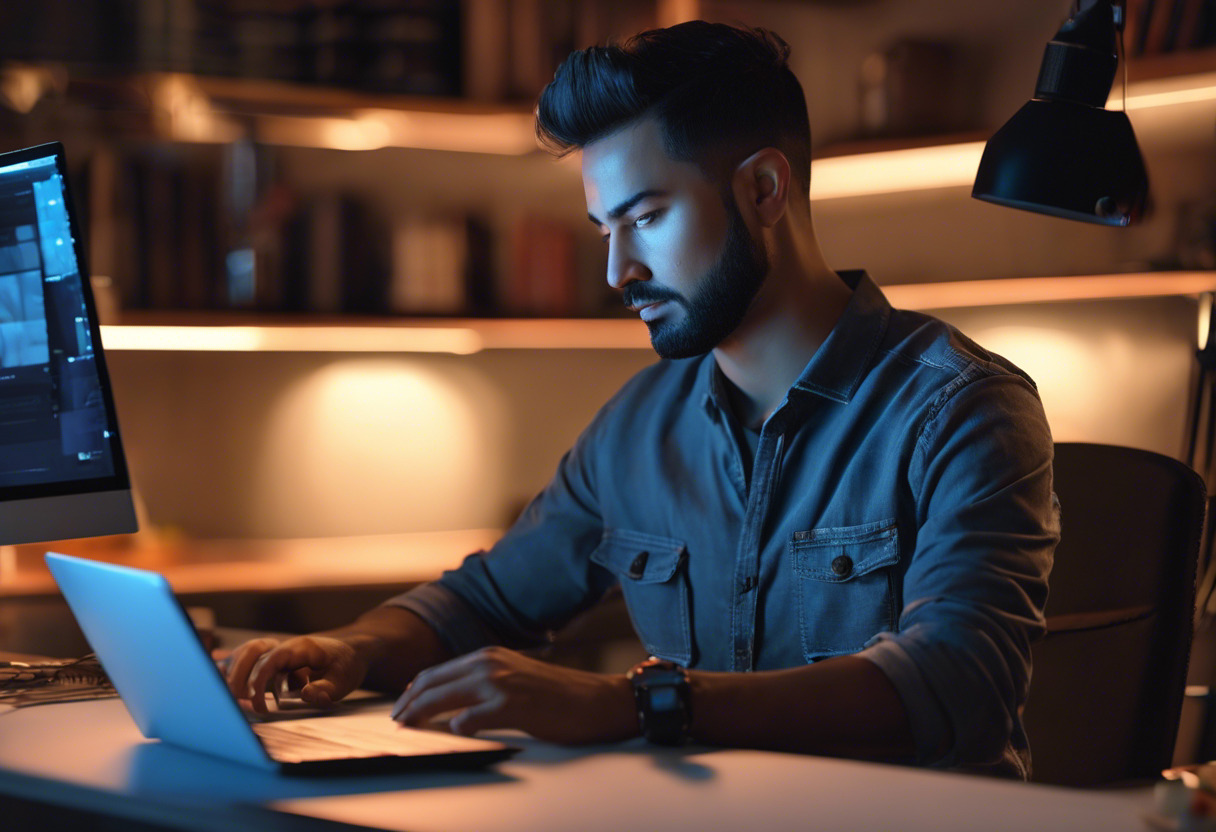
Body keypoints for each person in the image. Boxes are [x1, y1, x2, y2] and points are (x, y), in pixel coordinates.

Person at [224, 21, 1057, 779]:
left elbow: (957, 685)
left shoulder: (962, 408)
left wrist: (634, 704)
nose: (618, 271)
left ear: (765, 190)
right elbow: (483, 603)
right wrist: (347, 647)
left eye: (647, 217)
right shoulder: (638, 424)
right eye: (603, 230)